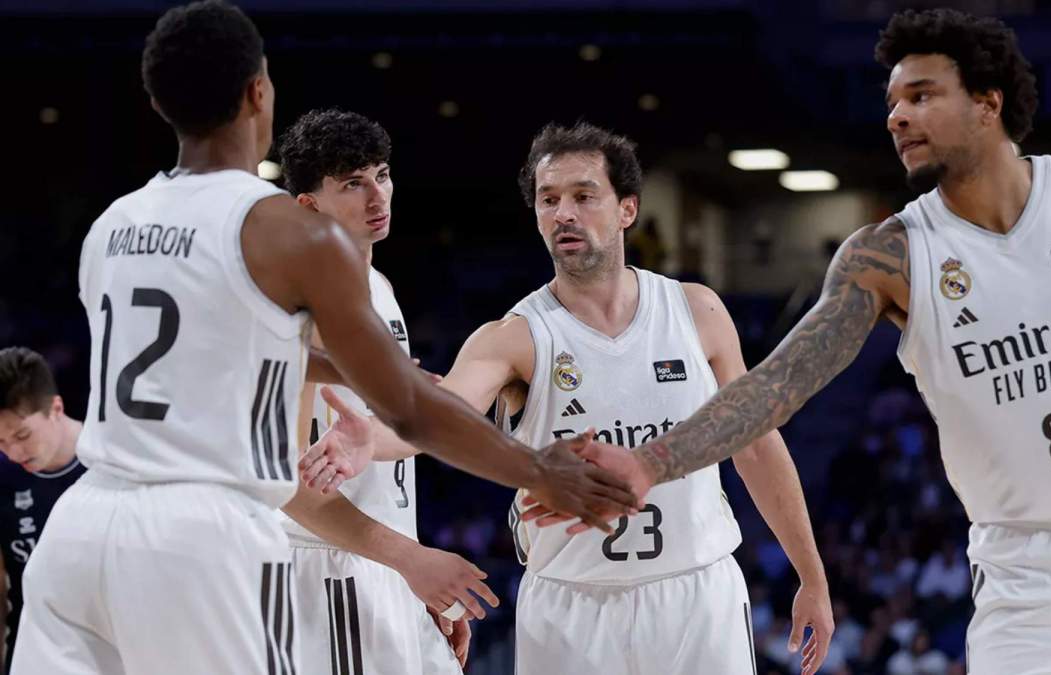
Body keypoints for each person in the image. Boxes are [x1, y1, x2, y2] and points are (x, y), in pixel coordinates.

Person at [528, 8, 1051, 674]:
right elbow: (774, 386)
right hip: (1030, 572)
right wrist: (649, 464)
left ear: (988, 103)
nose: (896, 116)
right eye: (892, 102)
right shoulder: (889, 257)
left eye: (921, 95)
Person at [10, 3, 637, 674]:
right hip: (199, 531)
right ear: (259, 90)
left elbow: (205, 347)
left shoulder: (113, 224)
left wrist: (335, 368)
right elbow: (410, 410)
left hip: (81, 528)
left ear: (160, 102)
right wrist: (540, 469)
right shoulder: (282, 231)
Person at [306, 121, 835, 675]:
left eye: (584, 196)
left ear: (627, 209)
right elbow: (439, 416)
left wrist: (813, 578)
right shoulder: (512, 337)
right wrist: (375, 438)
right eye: (548, 199)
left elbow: (755, 445)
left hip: (697, 593)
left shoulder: (695, 312)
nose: (564, 213)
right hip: (571, 608)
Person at [276, 108, 478, 674]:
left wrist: (413, 578)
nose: (377, 196)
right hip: (328, 572)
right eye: (352, 184)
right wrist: (411, 561)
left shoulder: (377, 286)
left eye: (382, 175)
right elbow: (284, 484)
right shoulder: (298, 303)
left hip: (383, 565)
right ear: (308, 205)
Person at [0, 348, 87, 672]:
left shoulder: (109, 461)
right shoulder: (3, 477)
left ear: (56, 408)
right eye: (0, 442)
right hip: (34, 655)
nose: (12, 452)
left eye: (22, 435)